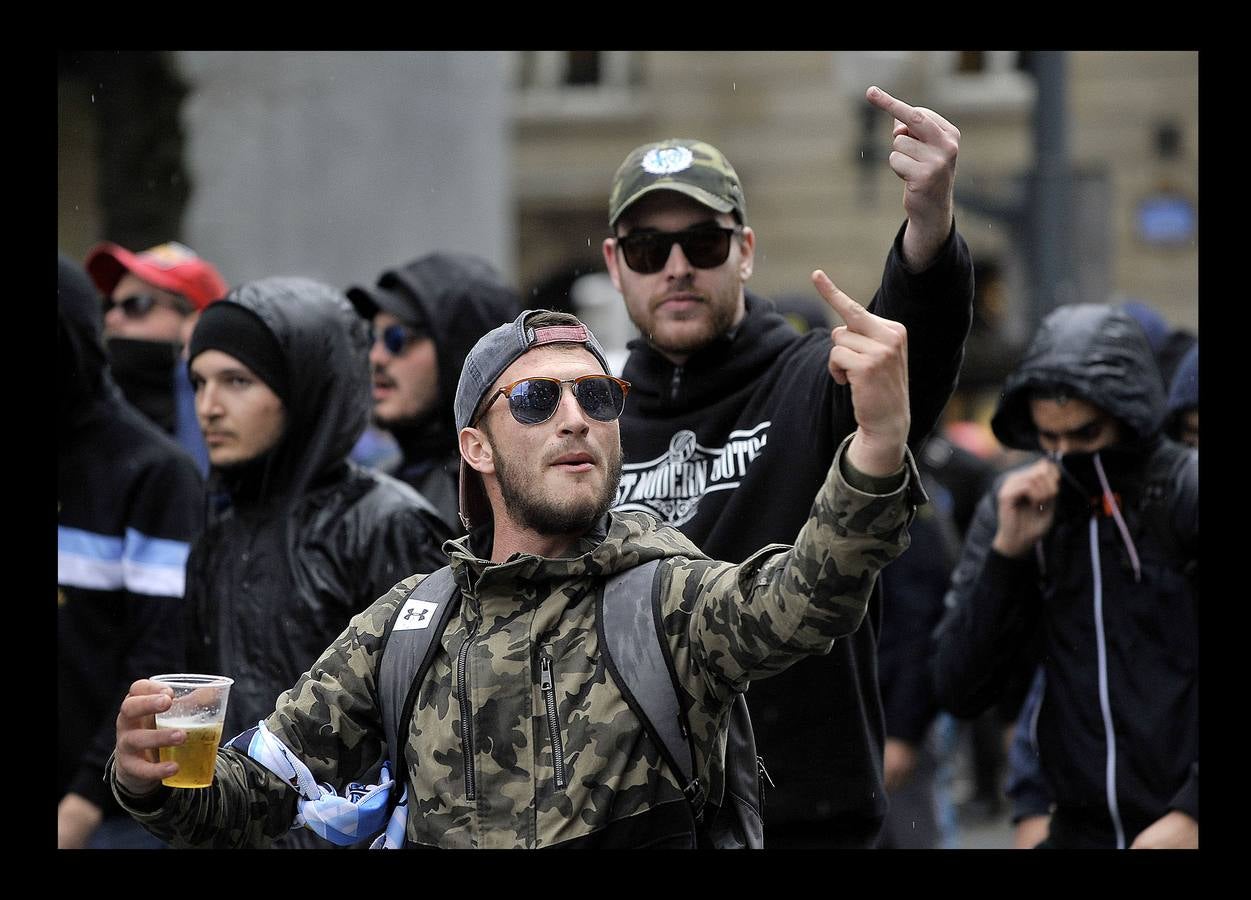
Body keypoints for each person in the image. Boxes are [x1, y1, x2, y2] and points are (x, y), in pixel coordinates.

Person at [109, 288, 925, 849]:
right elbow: (257, 796)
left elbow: (807, 599)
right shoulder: (407, 625)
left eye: (595, 397)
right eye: (536, 402)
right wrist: (150, 780)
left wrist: (879, 445)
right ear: (476, 446)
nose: (574, 419)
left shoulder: (663, 595)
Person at [604, 85, 974, 846]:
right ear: (616, 265)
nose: (676, 267)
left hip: (809, 818)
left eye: (702, 243)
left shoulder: (810, 378)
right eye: (648, 249)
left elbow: (911, 358)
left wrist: (928, 223)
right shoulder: (589, 418)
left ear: (743, 249)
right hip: (643, 823)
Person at [178, 276, 452, 848]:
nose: (209, 407)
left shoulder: (385, 523)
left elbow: (438, 733)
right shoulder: (218, 537)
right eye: (198, 382)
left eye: (236, 381)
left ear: (304, 387)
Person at [932, 303, 1198, 849]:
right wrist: (1007, 555)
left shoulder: (1183, 491)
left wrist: (1192, 814)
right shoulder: (1022, 504)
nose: (1064, 457)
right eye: (1048, 440)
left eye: (1085, 435)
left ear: (1130, 416)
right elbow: (960, 686)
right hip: (1078, 830)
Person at [58, 253, 205, 849]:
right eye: (112, 306)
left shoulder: (156, 472)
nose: (120, 321)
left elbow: (161, 655)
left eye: (139, 306)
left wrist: (84, 803)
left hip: (117, 815)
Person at [346, 252, 521, 532]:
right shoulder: (382, 484)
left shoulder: (508, 496)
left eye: (397, 339)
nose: (375, 357)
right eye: (370, 337)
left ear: (459, 350)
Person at [85, 240, 230, 475]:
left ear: (197, 322)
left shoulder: (233, 417)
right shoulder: (94, 407)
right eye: (109, 304)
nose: (112, 317)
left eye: (136, 305)